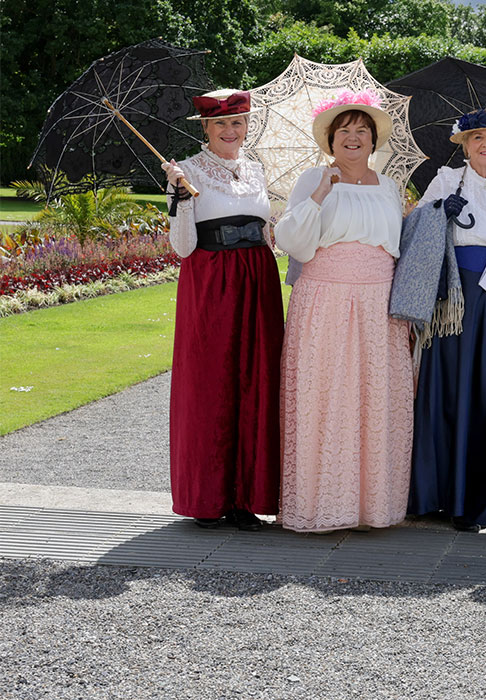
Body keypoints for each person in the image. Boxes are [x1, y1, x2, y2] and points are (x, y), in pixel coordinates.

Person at [274, 90, 412, 533]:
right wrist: (318, 195)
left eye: (362, 131)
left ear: (374, 141)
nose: (354, 138)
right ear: (330, 141)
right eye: (344, 132)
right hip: (325, 298)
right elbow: (291, 243)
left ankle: (372, 506)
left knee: (374, 399)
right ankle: (320, 505)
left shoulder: (390, 187)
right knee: (325, 396)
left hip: (379, 302)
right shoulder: (312, 180)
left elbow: (397, 247)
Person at [162, 89, 284, 531]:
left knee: (258, 380)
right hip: (210, 281)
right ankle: (208, 498)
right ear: (206, 129)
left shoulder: (257, 169)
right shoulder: (187, 171)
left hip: (258, 279)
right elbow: (181, 246)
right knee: (210, 381)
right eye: (220, 125)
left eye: (237, 123)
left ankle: (249, 498)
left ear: (247, 126)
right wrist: (180, 196)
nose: (230, 131)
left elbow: (269, 231)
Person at [408, 109, 486, 533]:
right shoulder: (447, 181)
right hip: (456, 303)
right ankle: (437, 496)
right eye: (476, 137)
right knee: (449, 391)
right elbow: (411, 234)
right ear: (463, 144)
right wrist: (439, 210)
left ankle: (479, 501)